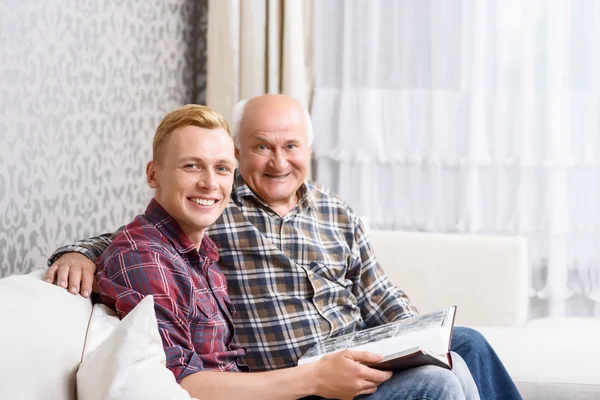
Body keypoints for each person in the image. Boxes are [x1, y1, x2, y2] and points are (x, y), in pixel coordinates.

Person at [44, 95, 508, 398]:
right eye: (263, 147)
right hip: (297, 372)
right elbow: (137, 239)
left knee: (464, 344)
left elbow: (379, 295)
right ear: (242, 154)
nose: (279, 160)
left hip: (354, 347)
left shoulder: (334, 211)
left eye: (291, 145)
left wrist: (417, 336)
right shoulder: (219, 208)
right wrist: (78, 252)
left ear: (308, 149)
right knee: (438, 382)